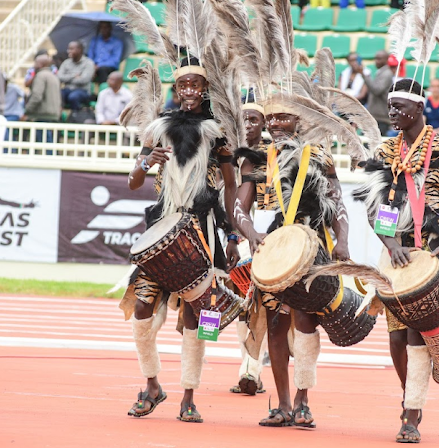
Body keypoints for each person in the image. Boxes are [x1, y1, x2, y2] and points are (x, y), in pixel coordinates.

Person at [354, 78, 439, 443]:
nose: (392, 113)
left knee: (418, 336)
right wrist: (390, 243)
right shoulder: (387, 149)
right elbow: (376, 208)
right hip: (397, 251)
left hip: (433, 250)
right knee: (395, 337)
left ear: (419, 109)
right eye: (390, 107)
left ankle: (411, 414)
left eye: (400, 107)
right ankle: (410, 395)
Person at [125, 57, 239, 423]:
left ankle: (189, 395)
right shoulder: (157, 130)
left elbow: (232, 185)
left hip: (202, 228)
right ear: (176, 91)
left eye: (196, 85)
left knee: (200, 314)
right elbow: (133, 181)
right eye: (183, 86)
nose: (189, 91)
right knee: (141, 308)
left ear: (205, 90)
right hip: (163, 225)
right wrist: (146, 163)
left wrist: (234, 233)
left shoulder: (216, 131)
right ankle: (153, 385)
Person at [233, 98, 350, 429]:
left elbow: (338, 206)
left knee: (305, 324)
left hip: (313, 243)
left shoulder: (319, 157)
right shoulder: (257, 161)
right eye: (271, 119)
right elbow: (239, 210)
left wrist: (342, 241)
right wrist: (251, 233)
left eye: (284, 118)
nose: (276, 124)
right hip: (277, 245)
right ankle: (283, 404)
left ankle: (303, 401)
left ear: (299, 120)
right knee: (274, 324)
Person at [229, 100, 270, 396]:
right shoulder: (222, 149)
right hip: (226, 237)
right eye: (243, 118)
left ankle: (251, 369)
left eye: (254, 118)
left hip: (256, 237)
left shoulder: (267, 156)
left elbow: (245, 204)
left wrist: (246, 234)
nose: (248, 124)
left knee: (258, 304)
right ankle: (247, 364)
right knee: (237, 306)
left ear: (265, 123)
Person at [363, 49, 394, 137]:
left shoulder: (387, 74)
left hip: (381, 118)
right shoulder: (381, 72)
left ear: (386, 59)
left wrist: (364, 75)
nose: (376, 61)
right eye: (376, 58)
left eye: (379, 59)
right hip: (376, 116)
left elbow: (377, 90)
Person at [22, 54, 61, 125]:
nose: (34, 65)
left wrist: (26, 111)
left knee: (42, 135)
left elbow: (36, 96)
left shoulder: (40, 76)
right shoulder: (54, 76)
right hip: (53, 114)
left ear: (40, 64)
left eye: (35, 63)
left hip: (42, 115)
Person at [58, 41, 95, 112]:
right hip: (68, 89)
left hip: (83, 91)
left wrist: (67, 78)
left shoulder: (88, 63)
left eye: (71, 49)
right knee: (58, 94)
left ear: (79, 50)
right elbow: (59, 77)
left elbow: (84, 80)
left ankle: (75, 116)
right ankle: (59, 116)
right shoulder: (66, 63)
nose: (68, 51)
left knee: (73, 97)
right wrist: (74, 75)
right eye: (68, 49)